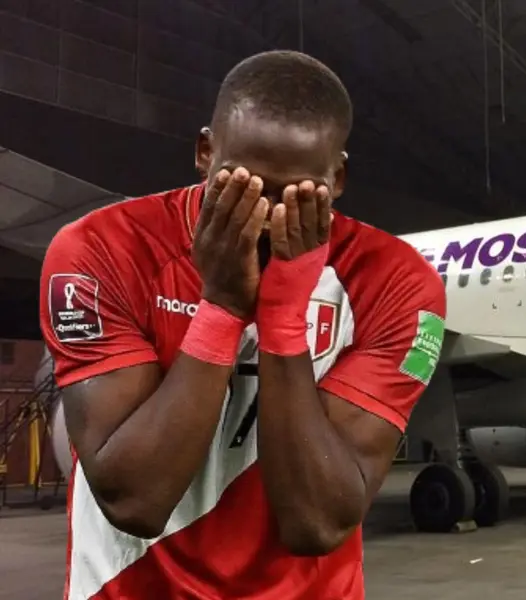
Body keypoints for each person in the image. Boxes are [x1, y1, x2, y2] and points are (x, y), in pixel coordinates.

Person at [38, 49, 446, 599]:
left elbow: (317, 525)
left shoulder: (396, 282)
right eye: (240, 188)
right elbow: (133, 501)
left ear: (337, 177)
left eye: (296, 197)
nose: (264, 218)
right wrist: (224, 306)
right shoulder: (101, 249)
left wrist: (282, 319)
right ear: (205, 152)